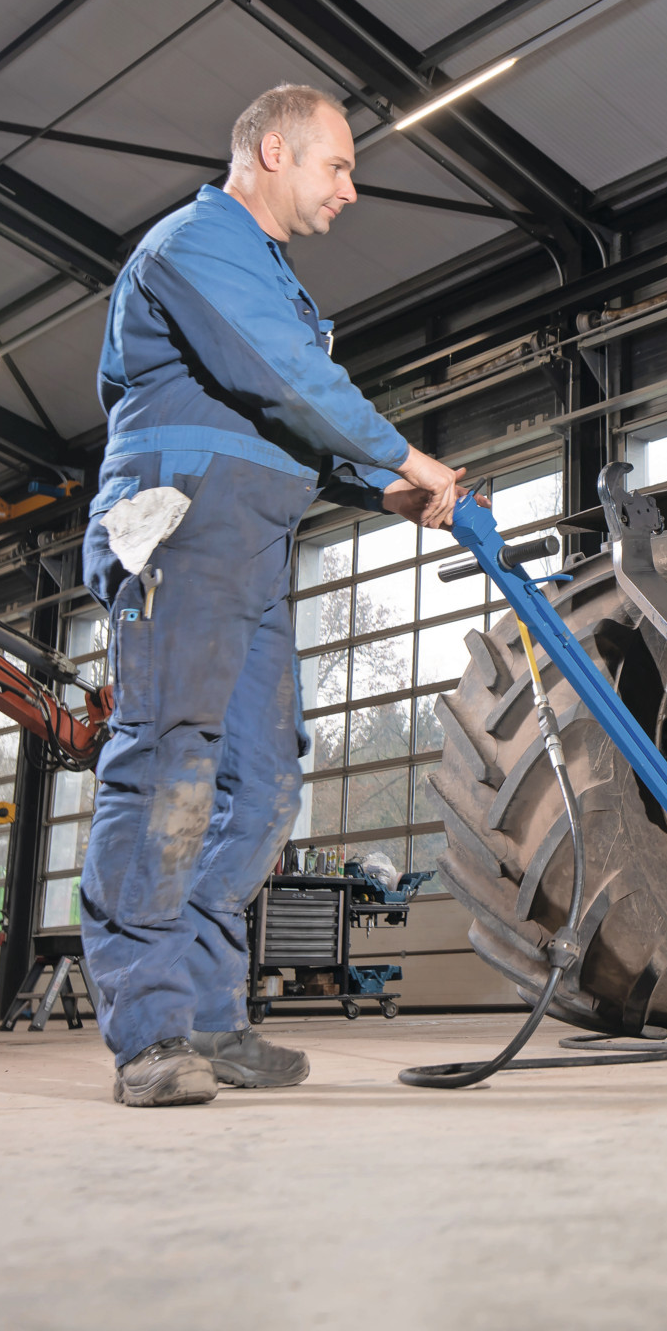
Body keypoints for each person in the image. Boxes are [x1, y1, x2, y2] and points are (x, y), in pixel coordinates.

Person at [79, 84, 474, 1107]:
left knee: (261, 792)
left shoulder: (266, 278)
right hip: (179, 529)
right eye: (336, 165)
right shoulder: (196, 243)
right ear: (269, 149)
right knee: (169, 768)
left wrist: (387, 487)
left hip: (250, 546)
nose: (351, 187)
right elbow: (284, 380)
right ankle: (151, 1031)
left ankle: (213, 1017)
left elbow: (286, 424)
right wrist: (406, 455)